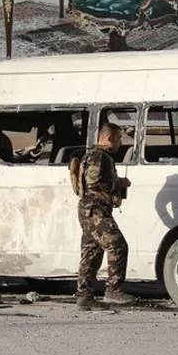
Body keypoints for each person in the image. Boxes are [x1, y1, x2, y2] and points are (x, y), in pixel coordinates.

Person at [75, 122, 136, 310]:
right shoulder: (98, 157)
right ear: (109, 138)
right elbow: (93, 183)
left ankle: (84, 296)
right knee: (117, 244)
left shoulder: (99, 156)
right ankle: (114, 290)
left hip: (92, 208)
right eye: (118, 138)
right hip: (94, 208)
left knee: (92, 252)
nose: (120, 142)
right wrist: (118, 184)